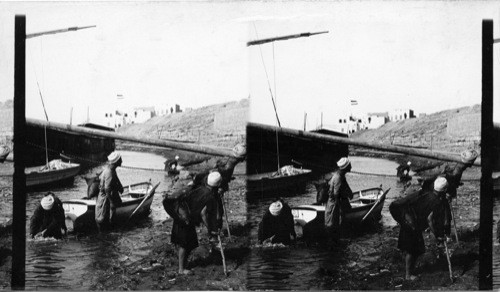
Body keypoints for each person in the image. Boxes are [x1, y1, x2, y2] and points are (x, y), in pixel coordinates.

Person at [389, 176, 452, 281]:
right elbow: (430, 220)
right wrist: (437, 235)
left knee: (417, 249)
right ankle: (408, 275)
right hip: (410, 221)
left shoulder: (428, 194)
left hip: (409, 218)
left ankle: (410, 270)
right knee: (411, 249)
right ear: (443, 191)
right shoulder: (436, 201)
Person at [171, 171, 223, 275]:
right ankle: (181, 269)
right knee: (184, 243)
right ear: (217, 185)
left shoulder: (201, 187)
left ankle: (184, 265)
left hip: (184, 214)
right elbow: (203, 214)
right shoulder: (209, 196)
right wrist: (210, 228)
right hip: (184, 217)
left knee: (189, 242)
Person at [324, 157, 353, 244]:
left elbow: (346, 186)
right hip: (334, 203)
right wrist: (341, 207)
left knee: (335, 224)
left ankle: (336, 240)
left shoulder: (341, 175)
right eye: (349, 165)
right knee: (331, 224)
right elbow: (336, 194)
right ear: (346, 167)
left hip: (336, 202)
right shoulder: (338, 178)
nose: (351, 167)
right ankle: (332, 242)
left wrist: (350, 193)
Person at [95, 151, 123, 232]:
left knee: (107, 221)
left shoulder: (112, 169)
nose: (121, 161)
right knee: (103, 221)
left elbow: (116, 178)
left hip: (107, 197)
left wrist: (120, 187)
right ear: (116, 161)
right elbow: (107, 189)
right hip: (104, 200)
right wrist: (111, 203)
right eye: (120, 159)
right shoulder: (109, 172)